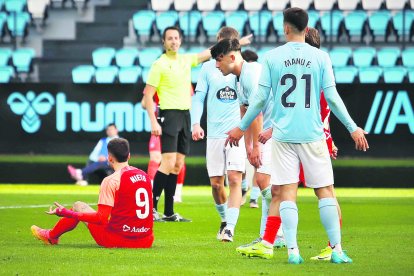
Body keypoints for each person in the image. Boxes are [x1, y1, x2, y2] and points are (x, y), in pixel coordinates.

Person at [225, 7, 369, 264]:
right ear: (306, 27)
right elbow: (333, 99)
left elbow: (258, 101)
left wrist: (240, 127)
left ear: (286, 27)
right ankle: (336, 250)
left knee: (287, 193)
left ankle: (293, 252)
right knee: (325, 191)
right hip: (313, 134)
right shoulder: (321, 57)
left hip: (283, 136)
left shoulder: (272, 57)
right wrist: (353, 127)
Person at [237, 27, 343, 261]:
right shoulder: (318, 68)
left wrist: (270, 129)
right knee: (285, 191)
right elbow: (321, 113)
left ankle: (327, 247)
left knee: (313, 193)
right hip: (313, 136)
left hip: (304, 137)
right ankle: (271, 241)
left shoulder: (308, 71)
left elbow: (305, 114)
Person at [142, 26, 212, 222]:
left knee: (178, 165)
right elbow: (147, 95)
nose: (173, 41)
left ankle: (169, 212)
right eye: (169, 38)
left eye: (176, 38)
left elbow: (210, 53)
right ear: (163, 43)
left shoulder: (185, 60)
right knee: (168, 162)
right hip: (169, 115)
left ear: (180, 41)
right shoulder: (159, 64)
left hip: (185, 115)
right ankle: (152, 209)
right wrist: (153, 121)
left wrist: (236, 43)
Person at [31, 138, 154, 248]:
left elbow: (100, 218)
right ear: (129, 156)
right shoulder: (144, 175)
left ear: (109, 158)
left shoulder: (110, 180)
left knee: (78, 205)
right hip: (146, 240)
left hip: (117, 240)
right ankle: (52, 235)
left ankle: (51, 236)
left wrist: (67, 213)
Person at [210, 40, 275, 246]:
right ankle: (270, 235)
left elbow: (257, 113)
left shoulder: (252, 74)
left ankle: (276, 233)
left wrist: (256, 146)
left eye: (219, 60)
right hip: (267, 131)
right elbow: (245, 111)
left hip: (275, 130)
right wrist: (248, 144)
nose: (216, 66)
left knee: (267, 183)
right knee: (267, 184)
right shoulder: (238, 79)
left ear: (232, 57)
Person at [191, 27, 252, 242]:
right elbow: (198, 98)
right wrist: (196, 123)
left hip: (236, 132)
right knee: (217, 184)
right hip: (215, 134)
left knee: (234, 177)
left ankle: (230, 228)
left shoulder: (245, 70)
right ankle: (225, 220)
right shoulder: (208, 68)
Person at [143, 90, 187, 203]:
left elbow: (189, 100)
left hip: (176, 123)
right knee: (155, 158)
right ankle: (151, 193)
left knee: (178, 161)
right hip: (161, 124)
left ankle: (177, 194)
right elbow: (144, 102)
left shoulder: (183, 77)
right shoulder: (159, 80)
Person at [241, 49, 261, 209]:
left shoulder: (246, 76)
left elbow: (251, 111)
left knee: (244, 158)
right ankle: (254, 197)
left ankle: (243, 189)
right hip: (263, 124)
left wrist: (252, 144)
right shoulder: (260, 69)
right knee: (257, 162)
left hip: (250, 121)